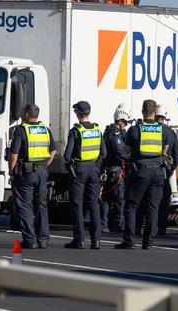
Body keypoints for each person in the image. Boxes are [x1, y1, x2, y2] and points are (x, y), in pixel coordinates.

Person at [115, 99, 169, 250]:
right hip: (158, 172)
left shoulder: (135, 129)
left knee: (132, 206)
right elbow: (165, 149)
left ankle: (129, 240)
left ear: (143, 112)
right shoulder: (162, 130)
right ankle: (148, 242)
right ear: (155, 112)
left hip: (140, 171)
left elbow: (125, 151)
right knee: (153, 208)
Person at [8, 103, 56, 249]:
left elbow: (14, 154)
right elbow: (53, 151)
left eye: (23, 111)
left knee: (24, 206)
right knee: (42, 205)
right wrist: (43, 165)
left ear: (27, 114)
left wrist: (11, 171)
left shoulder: (21, 130)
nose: (21, 113)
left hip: (26, 174)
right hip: (42, 173)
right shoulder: (45, 130)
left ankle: (30, 240)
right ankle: (43, 240)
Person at [64, 101, 106, 249]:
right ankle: (96, 241)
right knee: (94, 204)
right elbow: (104, 153)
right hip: (94, 170)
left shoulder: (75, 131)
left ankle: (79, 240)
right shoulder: (96, 129)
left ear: (78, 113)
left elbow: (67, 156)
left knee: (77, 205)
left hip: (79, 171)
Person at [101, 103, 131, 233]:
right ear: (120, 121)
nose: (126, 126)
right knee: (119, 199)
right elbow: (120, 153)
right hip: (115, 171)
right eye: (125, 123)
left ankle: (104, 224)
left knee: (106, 198)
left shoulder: (108, 132)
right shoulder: (114, 134)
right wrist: (130, 157)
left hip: (108, 169)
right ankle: (118, 225)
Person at [155, 105, 178, 236]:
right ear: (164, 117)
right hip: (165, 171)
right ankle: (162, 228)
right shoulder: (170, 132)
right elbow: (177, 153)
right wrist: (172, 168)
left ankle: (142, 227)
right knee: (164, 201)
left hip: (151, 169)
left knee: (150, 200)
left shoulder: (151, 130)